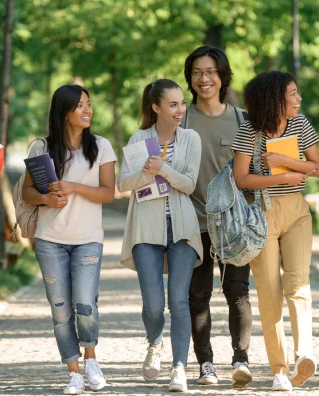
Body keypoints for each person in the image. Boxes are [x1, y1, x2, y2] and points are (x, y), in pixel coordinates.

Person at [21, 85, 116, 395]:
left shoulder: (101, 146)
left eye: (89, 104)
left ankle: (91, 359)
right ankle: (73, 371)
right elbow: (28, 193)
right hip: (50, 240)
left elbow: (107, 193)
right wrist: (48, 200)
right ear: (63, 112)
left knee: (85, 303)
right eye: (79, 106)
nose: (87, 110)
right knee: (60, 309)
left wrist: (73, 187)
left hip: (88, 238)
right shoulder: (41, 149)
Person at [232, 71, 319, 392]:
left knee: (299, 285)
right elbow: (242, 178)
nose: (299, 99)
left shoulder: (300, 125)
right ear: (274, 100)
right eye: (293, 94)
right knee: (270, 294)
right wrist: (279, 178)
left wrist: (286, 161)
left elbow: (317, 167)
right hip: (262, 214)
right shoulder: (248, 132)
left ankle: (303, 355)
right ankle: (279, 369)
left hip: (297, 211)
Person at [117, 79, 202, 393]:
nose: (180, 110)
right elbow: (124, 183)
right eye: (173, 104)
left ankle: (179, 367)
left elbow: (190, 184)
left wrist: (164, 170)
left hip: (182, 228)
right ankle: (155, 343)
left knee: (178, 301)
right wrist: (147, 172)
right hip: (146, 227)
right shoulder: (140, 138)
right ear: (156, 108)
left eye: (182, 103)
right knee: (153, 305)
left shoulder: (190, 138)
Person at [182, 46, 253, 388]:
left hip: (233, 226)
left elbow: (254, 169)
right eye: (197, 72)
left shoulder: (242, 120)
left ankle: (241, 359)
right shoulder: (180, 119)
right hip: (192, 222)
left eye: (210, 71)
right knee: (197, 296)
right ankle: (205, 363)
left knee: (237, 291)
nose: (204, 78)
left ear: (223, 76)